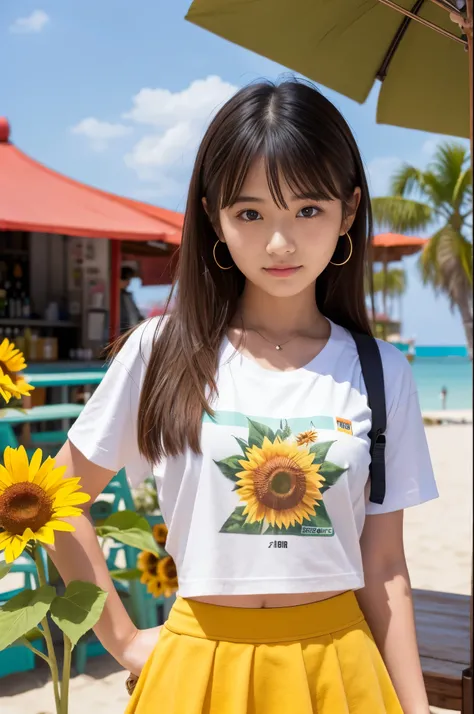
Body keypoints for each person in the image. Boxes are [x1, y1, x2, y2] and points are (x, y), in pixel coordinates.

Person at [49, 80, 438, 714]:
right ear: (214, 217)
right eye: (251, 213)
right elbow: (57, 499)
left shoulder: (379, 368)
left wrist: (415, 709)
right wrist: (122, 640)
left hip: (340, 670)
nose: (279, 244)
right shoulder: (160, 350)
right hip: (196, 669)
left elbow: (386, 563)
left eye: (308, 210)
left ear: (349, 211)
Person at [120, 266, 144, 332]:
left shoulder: (127, 296)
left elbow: (135, 314)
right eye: (126, 280)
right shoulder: (114, 297)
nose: (128, 283)